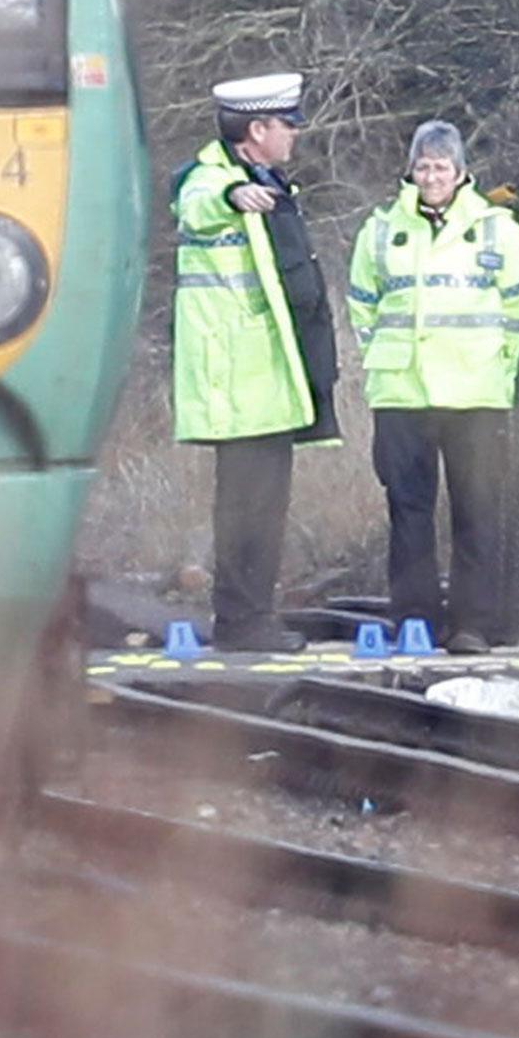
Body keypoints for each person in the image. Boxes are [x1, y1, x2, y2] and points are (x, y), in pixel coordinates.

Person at [346, 121, 519, 652]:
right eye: (423, 166)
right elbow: (362, 302)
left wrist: (501, 368)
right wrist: (376, 357)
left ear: (461, 171)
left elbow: (517, 307)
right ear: (411, 169)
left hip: (475, 394)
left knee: (477, 511)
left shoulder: (498, 230)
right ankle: (415, 621)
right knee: (408, 512)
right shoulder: (380, 229)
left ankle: (473, 624)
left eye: (441, 167)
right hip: (402, 392)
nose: (432, 177)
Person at [170, 72, 340, 653]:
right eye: (286, 125)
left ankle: (252, 617)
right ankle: (242, 623)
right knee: (244, 509)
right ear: (256, 130)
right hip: (236, 382)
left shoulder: (268, 179)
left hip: (265, 377)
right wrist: (229, 198)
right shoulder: (212, 180)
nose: (294, 135)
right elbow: (195, 206)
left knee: (266, 509)